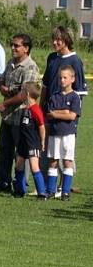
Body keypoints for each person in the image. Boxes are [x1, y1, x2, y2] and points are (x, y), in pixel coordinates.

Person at [0, 34, 40, 192]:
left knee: (21, 152)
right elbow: (3, 82)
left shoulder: (30, 67)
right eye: (12, 44)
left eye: (16, 45)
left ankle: (20, 184)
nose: (13, 48)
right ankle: (2, 181)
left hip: (22, 117)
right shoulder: (10, 63)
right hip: (8, 117)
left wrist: (4, 102)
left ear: (26, 49)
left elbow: (25, 94)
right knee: (4, 150)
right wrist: (6, 89)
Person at [45, 65, 82, 201]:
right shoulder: (54, 96)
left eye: (65, 78)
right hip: (55, 133)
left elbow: (72, 116)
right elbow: (50, 113)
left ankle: (65, 191)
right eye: (60, 77)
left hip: (68, 134)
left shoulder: (75, 97)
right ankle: (50, 191)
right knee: (53, 161)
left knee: (67, 161)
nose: (62, 80)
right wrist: (63, 112)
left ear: (72, 79)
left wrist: (58, 114)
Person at [13, 82, 48, 199]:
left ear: (27, 94)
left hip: (33, 143)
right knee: (19, 165)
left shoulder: (36, 110)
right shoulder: (24, 108)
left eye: (22, 91)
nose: (20, 94)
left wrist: (42, 141)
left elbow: (42, 126)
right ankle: (20, 190)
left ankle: (42, 192)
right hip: (23, 143)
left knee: (34, 167)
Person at [40, 26, 87, 106]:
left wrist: (72, 114)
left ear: (67, 40)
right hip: (48, 110)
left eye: (58, 39)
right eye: (53, 39)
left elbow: (79, 92)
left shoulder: (75, 61)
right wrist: (40, 107)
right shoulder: (52, 57)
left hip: (64, 112)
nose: (54, 42)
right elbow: (45, 85)